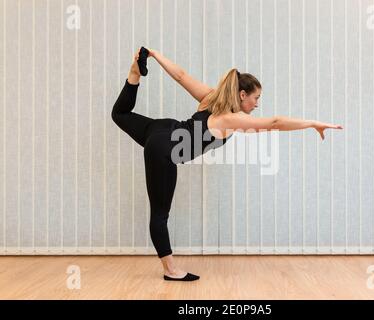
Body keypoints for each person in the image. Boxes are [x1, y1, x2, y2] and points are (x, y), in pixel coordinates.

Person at [111, 47, 343, 281]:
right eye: (256, 98)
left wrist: (154, 54)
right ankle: (171, 270)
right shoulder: (232, 119)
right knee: (160, 215)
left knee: (120, 114)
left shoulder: (212, 97)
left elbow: (180, 75)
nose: (257, 104)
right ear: (242, 95)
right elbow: (275, 122)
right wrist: (313, 123)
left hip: (162, 129)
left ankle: (134, 74)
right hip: (163, 151)